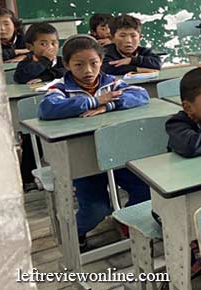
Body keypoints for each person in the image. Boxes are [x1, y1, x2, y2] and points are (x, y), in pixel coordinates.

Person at [38, 35, 150, 250]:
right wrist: (93, 101)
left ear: (101, 61)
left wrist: (108, 106)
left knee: (146, 192)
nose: (88, 71)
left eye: (93, 63)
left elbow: (141, 94)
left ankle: (125, 221)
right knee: (96, 210)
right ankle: (76, 233)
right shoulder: (60, 88)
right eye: (79, 65)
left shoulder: (111, 82)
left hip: (117, 155)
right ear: (66, 65)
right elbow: (47, 108)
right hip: (82, 160)